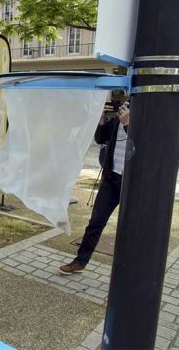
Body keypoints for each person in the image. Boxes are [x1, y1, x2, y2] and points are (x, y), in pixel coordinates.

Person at [59, 100, 130, 274]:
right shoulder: (116, 120)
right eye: (125, 104)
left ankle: (131, 268)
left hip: (134, 184)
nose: (124, 107)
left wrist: (128, 124)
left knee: (133, 228)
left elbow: (146, 148)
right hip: (111, 178)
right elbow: (100, 139)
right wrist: (101, 118)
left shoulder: (145, 121)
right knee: (95, 223)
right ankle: (80, 261)